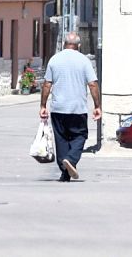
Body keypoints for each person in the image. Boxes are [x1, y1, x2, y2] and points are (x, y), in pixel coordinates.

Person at [39, 32, 101, 182]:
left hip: (58, 108)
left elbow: (47, 84)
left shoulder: (54, 60)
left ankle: (64, 173)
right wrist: (97, 106)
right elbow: (92, 84)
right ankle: (71, 160)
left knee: (61, 139)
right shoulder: (84, 61)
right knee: (80, 136)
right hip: (77, 108)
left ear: (64, 44)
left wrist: (43, 105)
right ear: (79, 46)